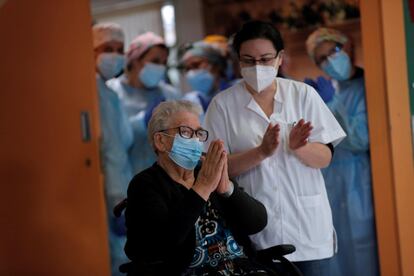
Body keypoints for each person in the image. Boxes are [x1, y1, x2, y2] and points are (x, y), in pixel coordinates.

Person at [204, 21, 346, 276]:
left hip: (307, 230)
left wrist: (298, 148)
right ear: (238, 61)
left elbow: (325, 157)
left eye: (265, 59)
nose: (257, 67)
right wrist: (261, 152)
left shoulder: (303, 95)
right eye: (248, 60)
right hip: (253, 235)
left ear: (280, 58)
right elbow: (215, 169)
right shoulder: (222, 105)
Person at [123, 100, 272, 276]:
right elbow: (161, 246)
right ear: (160, 141)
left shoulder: (206, 171)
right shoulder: (145, 185)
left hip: (240, 268)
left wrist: (227, 190)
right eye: (185, 132)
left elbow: (257, 223)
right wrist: (201, 189)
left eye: (199, 133)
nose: (195, 140)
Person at [305, 28, 379, 276]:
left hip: (360, 177)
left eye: (333, 51)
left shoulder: (369, 86)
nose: (330, 61)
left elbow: (360, 139)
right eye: (322, 59)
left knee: (363, 244)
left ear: (347, 47)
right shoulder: (331, 89)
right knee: (336, 247)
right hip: (332, 179)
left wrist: (331, 104)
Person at [108, 32, 180, 175]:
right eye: (155, 61)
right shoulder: (112, 92)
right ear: (134, 61)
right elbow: (112, 140)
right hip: (128, 179)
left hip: (167, 178)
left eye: (164, 62)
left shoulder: (169, 94)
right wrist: (141, 122)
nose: (161, 67)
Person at [92, 22, 133, 276]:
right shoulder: (95, 91)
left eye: (120, 49)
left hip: (116, 189)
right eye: (108, 48)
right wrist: (119, 200)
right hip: (111, 194)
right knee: (119, 260)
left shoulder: (107, 93)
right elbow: (112, 151)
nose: (115, 56)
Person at [179, 41, 229, 113]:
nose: (191, 72)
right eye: (187, 69)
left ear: (215, 64)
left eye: (196, 65)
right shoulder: (191, 101)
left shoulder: (238, 92)